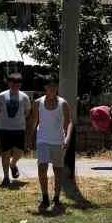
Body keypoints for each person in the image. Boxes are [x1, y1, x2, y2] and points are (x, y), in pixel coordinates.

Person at [29, 74, 74, 213]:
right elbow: (33, 122)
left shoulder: (63, 103)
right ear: (45, 88)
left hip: (58, 141)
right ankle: (45, 197)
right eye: (50, 86)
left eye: (55, 86)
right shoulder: (38, 103)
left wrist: (67, 138)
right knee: (42, 168)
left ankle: (56, 197)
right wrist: (29, 138)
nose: (52, 88)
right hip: (42, 140)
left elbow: (69, 122)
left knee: (57, 170)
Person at [0, 72, 32, 187]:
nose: (15, 84)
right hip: (4, 128)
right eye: (13, 82)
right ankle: (6, 177)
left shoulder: (24, 97)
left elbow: (27, 112)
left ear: (20, 84)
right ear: (9, 83)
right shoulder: (1, 96)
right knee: (5, 153)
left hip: (19, 128)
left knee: (19, 152)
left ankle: (13, 164)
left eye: (18, 82)